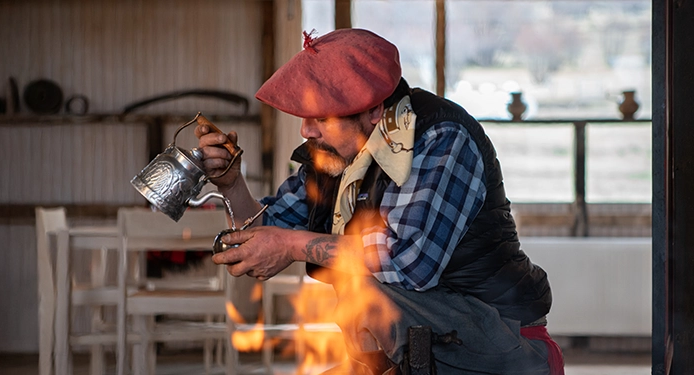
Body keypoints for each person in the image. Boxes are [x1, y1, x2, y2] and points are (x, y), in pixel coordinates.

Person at [195, 28, 563, 375]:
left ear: (374, 111)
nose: (307, 130)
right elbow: (266, 236)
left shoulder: (441, 138)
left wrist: (292, 245)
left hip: (495, 340)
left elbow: (409, 264)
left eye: (322, 117)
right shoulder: (334, 154)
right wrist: (231, 184)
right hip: (405, 347)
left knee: (368, 285)